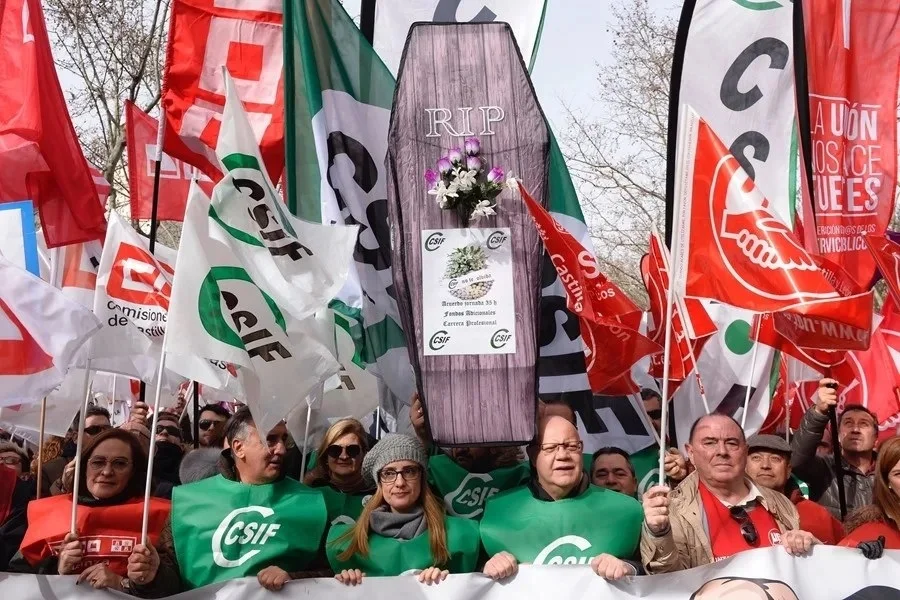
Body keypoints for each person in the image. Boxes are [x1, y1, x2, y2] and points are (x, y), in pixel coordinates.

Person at [127, 406, 328, 595]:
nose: (282, 449)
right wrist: (153, 574)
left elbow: (329, 574)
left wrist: (293, 579)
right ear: (239, 447)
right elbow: (172, 577)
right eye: (270, 439)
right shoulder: (189, 500)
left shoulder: (310, 503)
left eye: (285, 439)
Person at [480, 411, 644, 581]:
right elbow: (470, 583)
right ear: (533, 455)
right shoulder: (497, 513)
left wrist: (630, 567)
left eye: (572, 446)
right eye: (550, 448)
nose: (563, 455)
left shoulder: (628, 510)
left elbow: (657, 570)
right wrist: (487, 567)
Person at [641, 414, 816, 573]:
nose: (722, 452)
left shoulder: (780, 503)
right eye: (710, 443)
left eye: (732, 443)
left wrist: (809, 546)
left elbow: (807, 575)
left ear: (745, 451)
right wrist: (659, 534)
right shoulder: (672, 509)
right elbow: (669, 580)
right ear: (691, 453)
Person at [9, 429, 170, 593]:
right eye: (98, 462)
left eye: (120, 463)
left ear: (134, 472)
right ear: (84, 466)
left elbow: (183, 587)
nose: (107, 472)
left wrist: (133, 583)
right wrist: (56, 569)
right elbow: (15, 580)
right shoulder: (49, 512)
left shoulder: (160, 515)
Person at [326, 434, 480, 585]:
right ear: (379, 482)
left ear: (422, 477)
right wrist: (345, 584)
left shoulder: (460, 534)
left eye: (409, 471)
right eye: (389, 473)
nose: (400, 482)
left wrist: (449, 583)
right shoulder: (345, 543)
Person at [410, 394, 529, 520]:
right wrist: (422, 435)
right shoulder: (439, 468)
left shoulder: (519, 476)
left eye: (469, 440)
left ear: (494, 444)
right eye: (455, 440)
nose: (461, 449)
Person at [791, 378, 877, 519]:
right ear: (837, 436)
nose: (855, 429)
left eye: (864, 424)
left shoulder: (890, 472)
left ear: (876, 438)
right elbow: (797, 460)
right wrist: (818, 413)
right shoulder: (824, 468)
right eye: (848, 423)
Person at [745, 434, 843, 544]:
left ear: (788, 470)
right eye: (756, 458)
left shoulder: (818, 515)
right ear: (744, 466)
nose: (765, 465)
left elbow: (846, 553)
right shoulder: (731, 510)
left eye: (775, 459)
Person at [304, 418, 375, 525]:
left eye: (352, 450)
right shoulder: (312, 494)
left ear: (364, 453)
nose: (344, 456)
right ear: (326, 455)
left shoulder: (379, 495)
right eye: (335, 450)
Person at [838, 435, 900, 554]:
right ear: (887, 482)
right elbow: (833, 563)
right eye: (898, 474)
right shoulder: (871, 531)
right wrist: (857, 553)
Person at [42, 405, 111, 496]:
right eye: (94, 430)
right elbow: (43, 507)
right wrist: (62, 487)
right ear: (75, 437)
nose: (102, 434)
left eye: (107, 429)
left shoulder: (122, 464)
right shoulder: (51, 470)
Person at [0, 441, 36, 570]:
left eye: (11, 460)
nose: (2, 463)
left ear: (24, 473)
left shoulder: (31, 502)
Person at [152, 412, 185, 498]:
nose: (164, 432)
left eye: (172, 431)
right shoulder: (135, 470)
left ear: (182, 446)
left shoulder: (192, 474)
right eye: (157, 429)